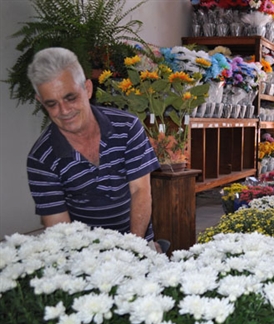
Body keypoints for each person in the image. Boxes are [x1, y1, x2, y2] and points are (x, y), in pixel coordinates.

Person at [26, 47, 169, 252]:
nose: (64, 111)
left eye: (71, 98)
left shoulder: (127, 128)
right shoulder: (41, 159)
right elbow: (60, 229)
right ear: (41, 102)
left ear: (88, 89)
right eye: (52, 104)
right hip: (86, 256)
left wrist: (132, 251)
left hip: (136, 243)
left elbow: (140, 191)